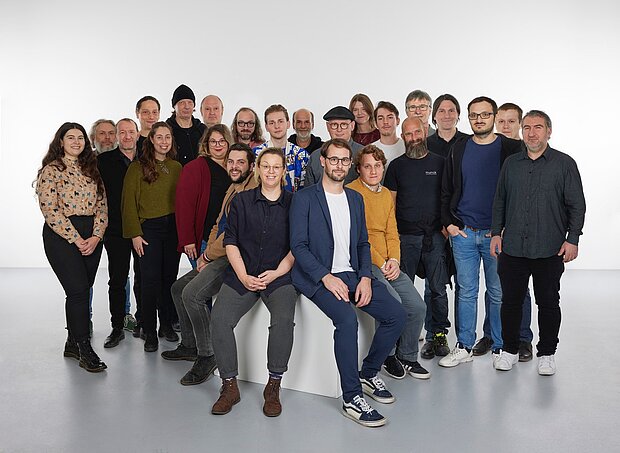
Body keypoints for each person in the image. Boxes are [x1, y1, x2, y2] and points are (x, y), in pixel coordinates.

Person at [290, 138, 406, 428]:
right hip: (317, 277)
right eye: (334, 159)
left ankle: (368, 372)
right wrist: (326, 277)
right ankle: (351, 398)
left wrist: (365, 277)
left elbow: (363, 243)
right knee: (347, 320)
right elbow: (299, 246)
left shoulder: (355, 199)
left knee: (396, 314)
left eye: (344, 160)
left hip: (353, 273)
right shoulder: (305, 198)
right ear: (323, 161)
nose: (339, 165)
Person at [491, 110, 586, 375]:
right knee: (510, 301)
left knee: (547, 301)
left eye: (538, 127)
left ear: (549, 131)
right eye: (527, 128)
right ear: (522, 131)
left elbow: (577, 205)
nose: (532, 133)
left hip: (549, 247)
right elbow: (500, 201)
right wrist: (496, 232)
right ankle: (509, 350)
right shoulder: (511, 164)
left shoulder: (564, 164)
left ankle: (547, 353)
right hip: (513, 249)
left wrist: (573, 239)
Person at [211, 148, 297, 417]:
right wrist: (243, 276)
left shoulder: (295, 203)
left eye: (276, 167)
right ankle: (229, 386)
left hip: (279, 275)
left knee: (283, 320)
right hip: (243, 273)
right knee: (220, 319)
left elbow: (298, 245)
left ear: (284, 171)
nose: (271, 172)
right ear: (257, 169)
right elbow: (231, 242)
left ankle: (273, 385)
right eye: (266, 166)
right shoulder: (241, 201)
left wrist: (277, 272)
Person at [164, 144, 257, 386]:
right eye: (231, 162)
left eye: (240, 162)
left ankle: (208, 355)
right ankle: (190, 344)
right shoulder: (232, 187)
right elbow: (218, 224)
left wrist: (207, 257)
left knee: (193, 294)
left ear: (251, 166)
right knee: (177, 289)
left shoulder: (250, 191)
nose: (234, 166)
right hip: (218, 253)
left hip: (235, 258)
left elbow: (231, 236)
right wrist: (207, 253)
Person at [439, 96, 521, 368]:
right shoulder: (459, 148)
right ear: (468, 118)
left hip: (495, 235)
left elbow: (521, 192)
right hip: (464, 233)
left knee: (498, 292)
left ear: (494, 117)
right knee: (466, 291)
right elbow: (446, 189)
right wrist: (450, 224)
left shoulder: (510, 147)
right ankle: (464, 345)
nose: (479, 119)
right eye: (474, 115)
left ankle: (499, 347)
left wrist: (506, 228)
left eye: (485, 115)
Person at [347, 145, 428, 380]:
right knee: (392, 302)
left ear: (383, 167)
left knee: (417, 306)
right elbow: (358, 236)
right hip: (366, 262)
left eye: (377, 165)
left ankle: (408, 356)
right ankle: (387, 356)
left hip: (389, 262)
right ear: (359, 169)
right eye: (367, 166)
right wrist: (382, 262)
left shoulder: (384, 194)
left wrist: (394, 259)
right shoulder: (351, 193)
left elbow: (392, 230)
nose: (373, 171)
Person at [36, 122, 108, 372]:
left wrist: (96, 236)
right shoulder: (52, 170)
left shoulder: (91, 169)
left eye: (80, 138)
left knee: (82, 289)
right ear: (61, 141)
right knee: (77, 290)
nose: (77, 142)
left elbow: (102, 205)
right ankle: (84, 347)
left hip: (92, 236)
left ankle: (71, 342)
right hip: (62, 236)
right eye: (71, 137)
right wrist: (77, 239)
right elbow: (50, 210)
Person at [384, 117, 451, 361]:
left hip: (434, 237)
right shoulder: (395, 167)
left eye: (417, 133)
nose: (413, 138)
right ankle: (405, 338)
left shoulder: (441, 163)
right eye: (408, 134)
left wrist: (445, 227)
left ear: (425, 132)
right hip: (405, 238)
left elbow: (448, 198)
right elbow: (389, 205)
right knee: (404, 290)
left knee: (437, 289)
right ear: (403, 137)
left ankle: (437, 335)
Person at [122, 122, 182, 352]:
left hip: (172, 228)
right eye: (160, 137)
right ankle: (149, 330)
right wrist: (135, 234)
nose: (164, 142)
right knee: (150, 280)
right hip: (149, 230)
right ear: (152, 140)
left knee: (169, 278)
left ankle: (166, 324)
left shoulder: (177, 167)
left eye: (168, 137)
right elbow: (128, 204)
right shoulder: (137, 168)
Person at [97, 118, 143, 348]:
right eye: (122, 132)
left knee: (144, 276)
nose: (126, 136)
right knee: (117, 279)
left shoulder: (146, 159)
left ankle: (143, 322)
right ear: (116, 136)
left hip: (143, 229)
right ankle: (117, 327)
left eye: (130, 132)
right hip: (115, 230)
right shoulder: (103, 161)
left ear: (137, 134)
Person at [176, 124, 232, 269]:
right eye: (213, 141)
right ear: (206, 144)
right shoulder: (194, 168)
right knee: (204, 287)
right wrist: (187, 240)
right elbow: (184, 206)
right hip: (203, 240)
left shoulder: (235, 167)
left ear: (228, 143)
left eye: (222, 141)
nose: (217, 145)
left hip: (228, 239)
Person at [303, 106, 363, 186]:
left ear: (352, 126)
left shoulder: (363, 154)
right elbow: (308, 192)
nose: (339, 129)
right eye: (334, 125)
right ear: (328, 127)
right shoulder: (316, 157)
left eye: (344, 124)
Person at [253, 104, 308, 192]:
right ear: (266, 127)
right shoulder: (256, 154)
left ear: (288, 124)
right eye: (272, 123)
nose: (277, 126)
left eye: (280, 121)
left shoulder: (301, 155)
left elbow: (305, 189)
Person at [166, 84, 206, 166]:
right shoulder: (166, 129)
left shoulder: (202, 130)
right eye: (182, 103)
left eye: (190, 102)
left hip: (199, 176)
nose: (186, 106)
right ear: (174, 106)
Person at [427, 93, 468, 159]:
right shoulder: (425, 145)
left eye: (451, 111)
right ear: (434, 116)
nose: (447, 116)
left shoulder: (468, 142)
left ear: (458, 115)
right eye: (441, 111)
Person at [371, 101, 405, 165]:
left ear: (398, 121)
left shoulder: (407, 147)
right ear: (375, 123)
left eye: (390, 117)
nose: (385, 122)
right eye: (380, 118)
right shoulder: (370, 150)